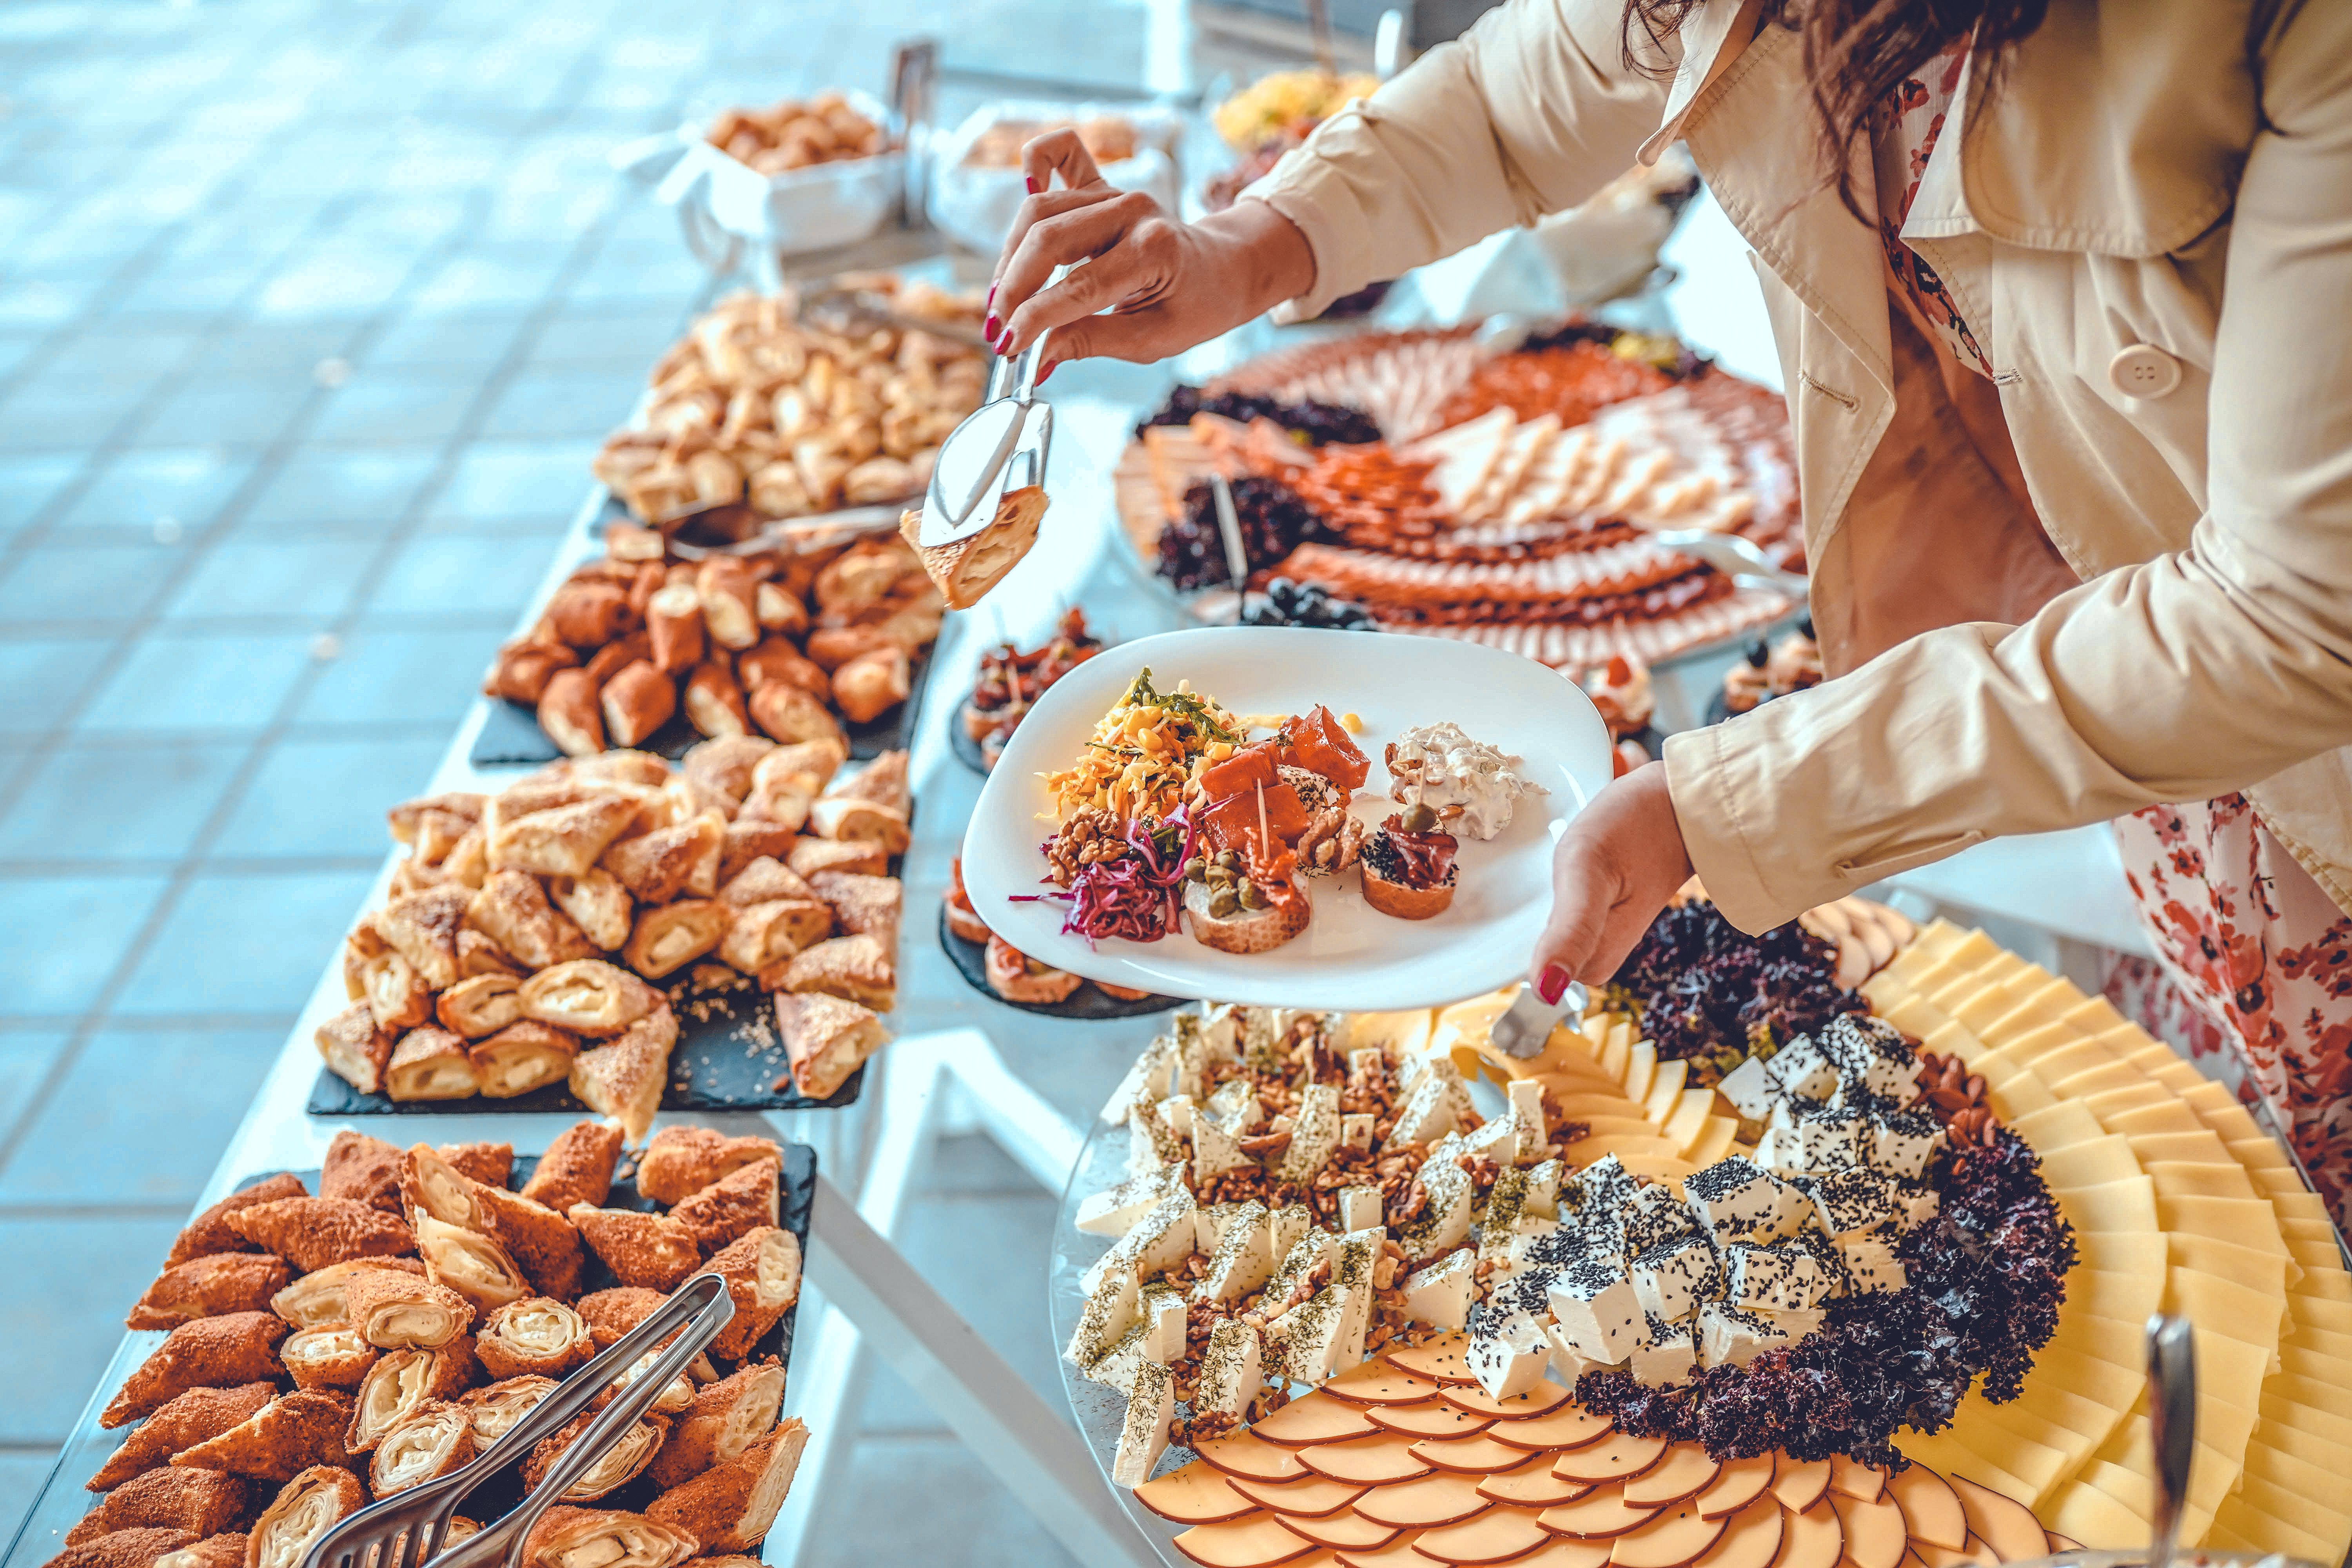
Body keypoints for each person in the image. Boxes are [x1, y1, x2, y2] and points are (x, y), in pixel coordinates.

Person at [986, 0, 2352, 1221]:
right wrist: (1247, 249)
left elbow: (2291, 622)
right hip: (2098, 708)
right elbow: (1534, 85)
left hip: (2296, 760)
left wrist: (1725, 809)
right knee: (2236, 1168)